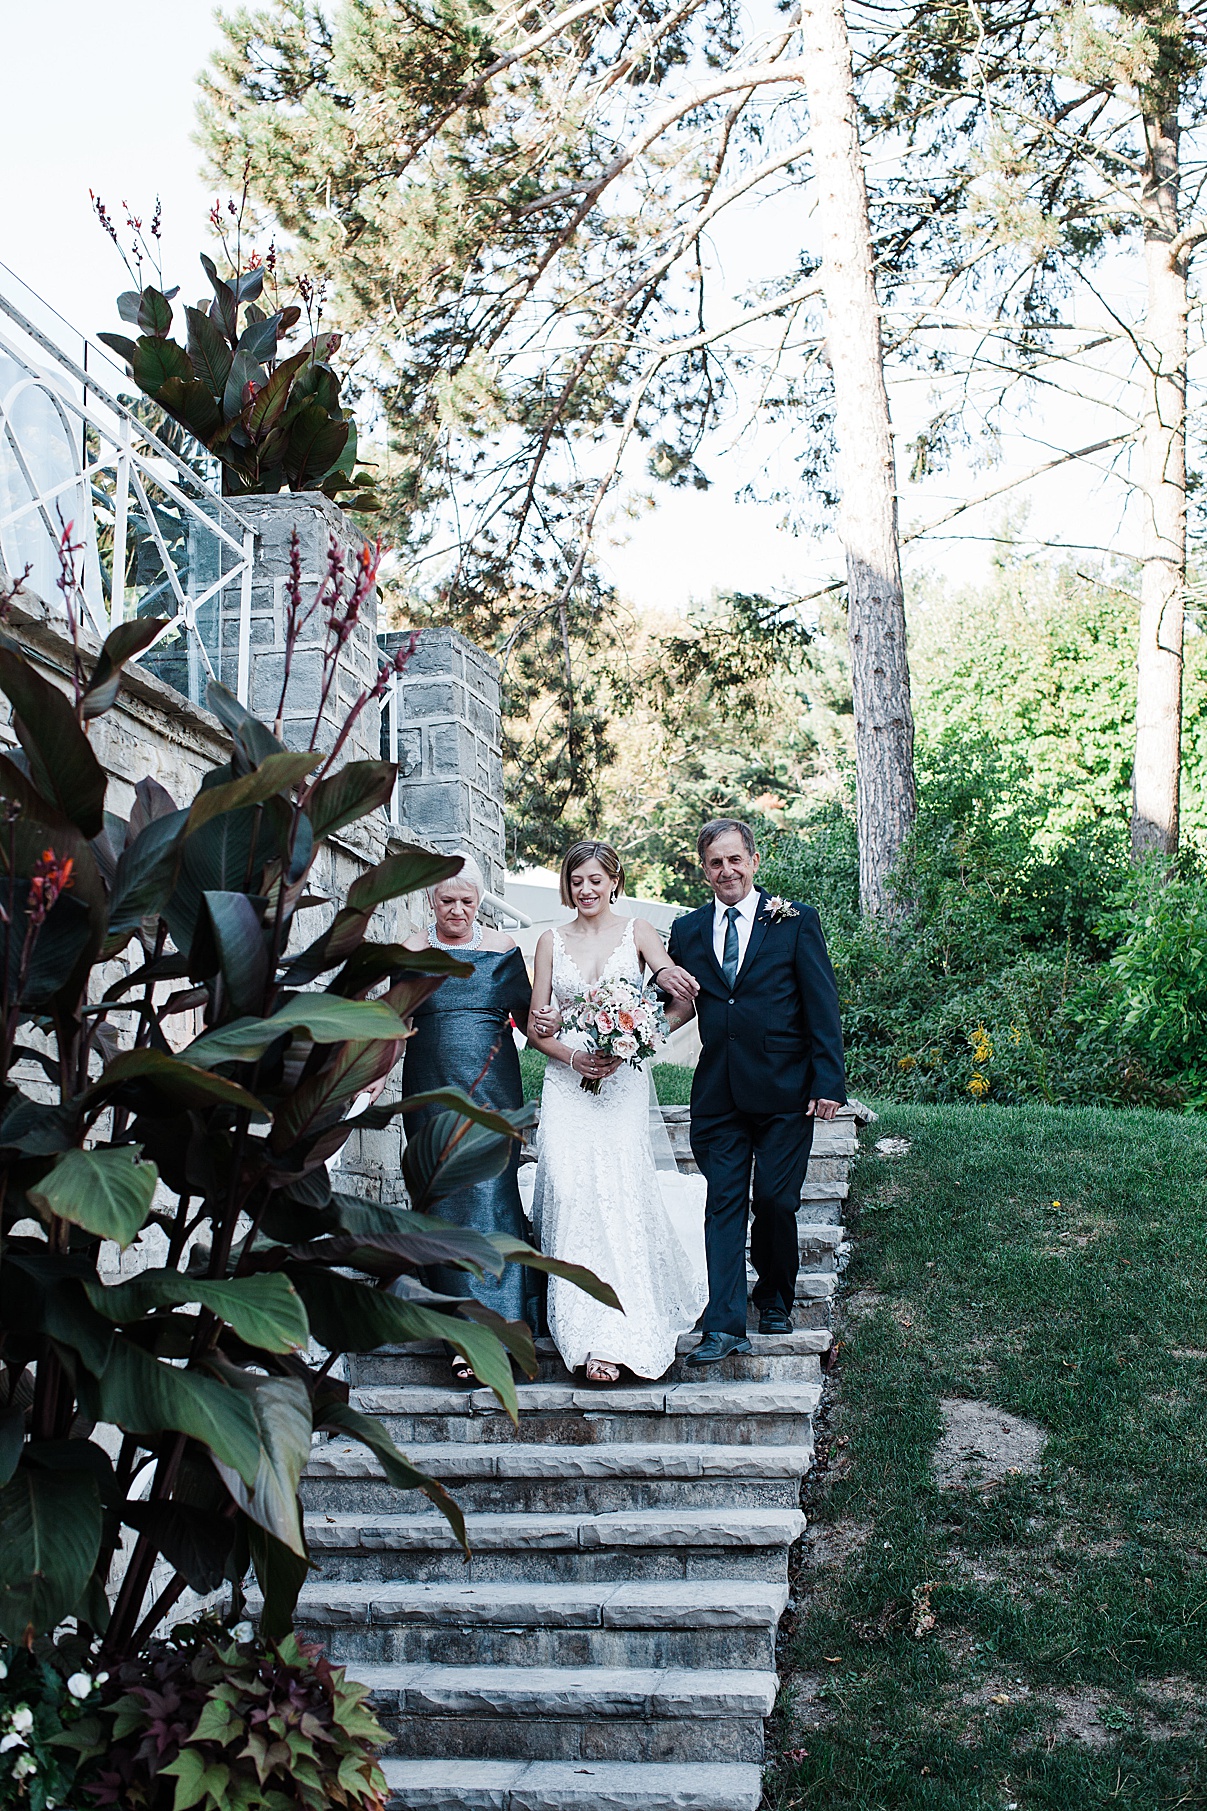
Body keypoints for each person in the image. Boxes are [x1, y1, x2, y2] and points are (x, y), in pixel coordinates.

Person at [663, 819, 847, 1363]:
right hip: (718, 1093)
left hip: (785, 1088)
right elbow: (679, 1002)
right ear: (704, 871)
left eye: (735, 860)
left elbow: (822, 1006)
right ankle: (724, 1325)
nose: (727, 871)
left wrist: (827, 1082)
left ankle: (774, 1294)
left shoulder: (794, 922)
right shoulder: (689, 931)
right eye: (715, 863)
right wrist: (635, 1024)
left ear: (754, 860)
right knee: (722, 1202)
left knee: (774, 1199)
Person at [526, 841, 707, 1383]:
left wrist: (643, 1038)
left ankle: (618, 1336)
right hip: (566, 1083)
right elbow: (538, 1028)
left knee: (618, 1192)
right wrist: (571, 1051)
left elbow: (682, 998)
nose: (586, 890)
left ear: (614, 880)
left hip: (624, 1084)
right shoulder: (548, 941)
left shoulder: (639, 933)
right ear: (567, 885)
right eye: (576, 880)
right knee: (572, 1189)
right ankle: (582, 1331)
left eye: (595, 880)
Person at [399, 854, 535, 1382]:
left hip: (494, 1088)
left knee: (493, 1195)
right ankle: (457, 1330)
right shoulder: (412, 950)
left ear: (480, 902)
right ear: (430, 901)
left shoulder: (503, 949)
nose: (457, 910)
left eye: (466, 901)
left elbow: (530, 1018)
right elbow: (395, 1020)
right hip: (430, 1088)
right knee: (445, 1195)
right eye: (446, 900)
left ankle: (500, 1327)